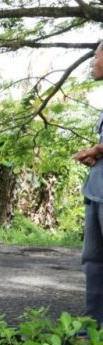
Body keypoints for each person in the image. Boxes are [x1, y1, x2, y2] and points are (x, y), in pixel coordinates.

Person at [71, 40, 103, 325]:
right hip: (97, 192)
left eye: (96, 56)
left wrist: (97, 150)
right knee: (93, 260)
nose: (92, 63)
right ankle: (93, 327)